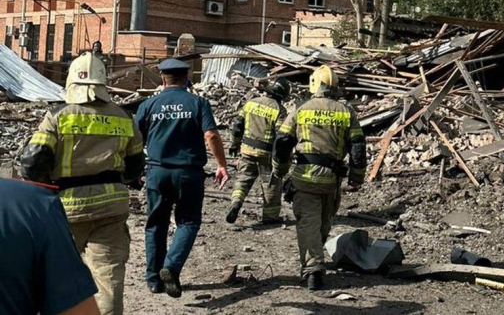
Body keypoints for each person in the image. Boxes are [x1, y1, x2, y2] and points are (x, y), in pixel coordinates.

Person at [17, 53, 145, 315]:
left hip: (67, 209)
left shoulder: (58, 116)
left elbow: (31, 163)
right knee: (109, 280)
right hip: (111, 208)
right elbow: (135, 168)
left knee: (58, 277)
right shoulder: (124, 117)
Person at [135, 58, 229, 298]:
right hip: (189, 173)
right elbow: (211, 135)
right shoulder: (198, 103)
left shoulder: (149, 104)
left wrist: (134, 171)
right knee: (187, 222)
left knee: (156, 224)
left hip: (157, 172)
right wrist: (221, 165)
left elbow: (135, 140)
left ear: (163, 77)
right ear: (187, 78)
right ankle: (172, 266)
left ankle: (154, 280)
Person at [273, 65, 366, 291]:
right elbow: (357, 146)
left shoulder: (301, 109)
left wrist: (280, 168)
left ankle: (313, 269)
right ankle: (315, 261)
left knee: (308, 224)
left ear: (314, 84)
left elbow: (283, 141)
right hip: (331, 180)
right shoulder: (346, 112)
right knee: (324, 223)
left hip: (304, 177)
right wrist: (357, 176)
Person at [0, 178, 101, 315]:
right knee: (108, 269)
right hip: (104, 203)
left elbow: (34, 162)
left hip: (69, 201)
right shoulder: (31, 202)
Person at [226, 77, 291, 225]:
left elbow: (237, 125)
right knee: (271, 184)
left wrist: (234, 143)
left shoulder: (251, 103)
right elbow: (281, 136)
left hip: (247, 149)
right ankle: (270, 216)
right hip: (266, 154)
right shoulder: (279, 110)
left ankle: (236, 202)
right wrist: (281, 158)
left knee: (243, 179)